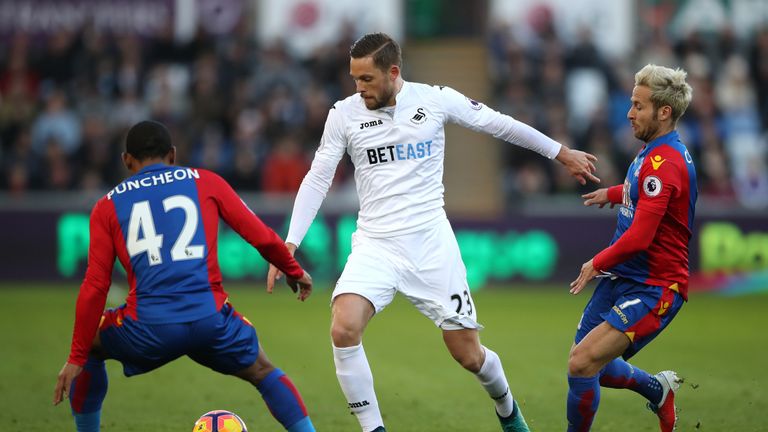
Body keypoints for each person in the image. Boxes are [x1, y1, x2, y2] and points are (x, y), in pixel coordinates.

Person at [267, 32, 600, 432]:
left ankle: (508, 410)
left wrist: (559, 152)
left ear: (393, 72)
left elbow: (499, 124)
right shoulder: (343, 114)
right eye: (354, 79)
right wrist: (289, 243)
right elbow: (318, 177)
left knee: (468, 355)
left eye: (367, 79)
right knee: (344, 327)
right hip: (375, 245)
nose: (359, 88)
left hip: (430, 245)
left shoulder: (435, 99)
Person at [53, 120, 316, 432]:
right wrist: (293, 270)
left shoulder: (107, 206)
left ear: (127, 160)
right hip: (211, 320)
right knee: (262, 369)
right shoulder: (206, 182)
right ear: (173, 155)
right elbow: (261, 236)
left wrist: (76, 356)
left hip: (149, 328)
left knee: (93, 345)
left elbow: (96, 284)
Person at [566, 64, 696, 432]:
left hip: (655, 286)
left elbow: (641, 236)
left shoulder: (664, 162)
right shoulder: (653, 152)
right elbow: (645, 193)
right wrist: (612, 193)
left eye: (638, 105)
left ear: (664, 112)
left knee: (582, 364)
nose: (629, 112)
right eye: (631, 103)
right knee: (592, 367)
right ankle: (658, 391)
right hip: (623, 275)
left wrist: (596, 262)